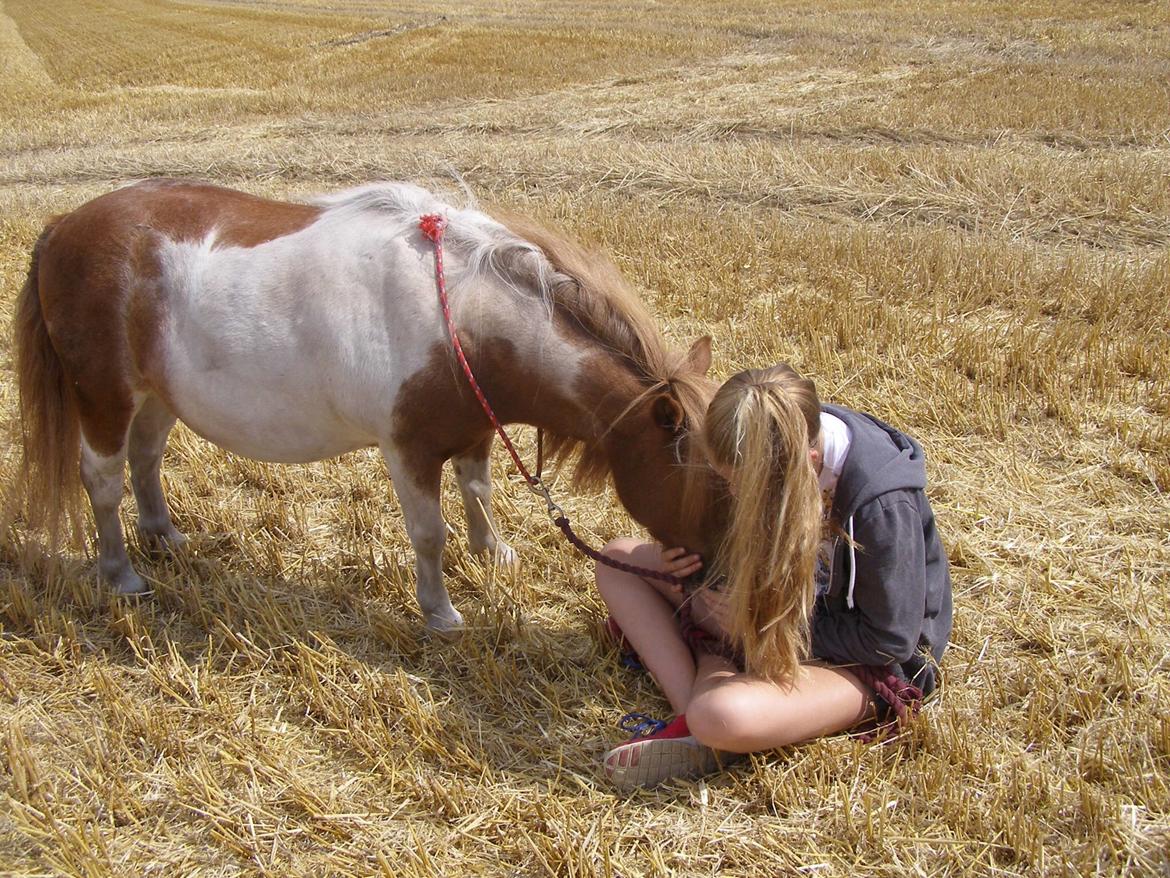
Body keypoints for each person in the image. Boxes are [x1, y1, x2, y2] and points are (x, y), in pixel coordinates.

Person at [595, 363, 953, 789]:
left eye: (740, 487)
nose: (732, 494)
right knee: (617, 560)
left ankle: (707, 710)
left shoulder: (881, 507)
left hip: (865, 664)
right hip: (770, 617)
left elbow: (891, 639)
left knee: (722, 714)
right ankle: (697, 718)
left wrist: (763, 621)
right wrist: (697, 572)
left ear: (807, 464)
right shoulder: (774, 433)